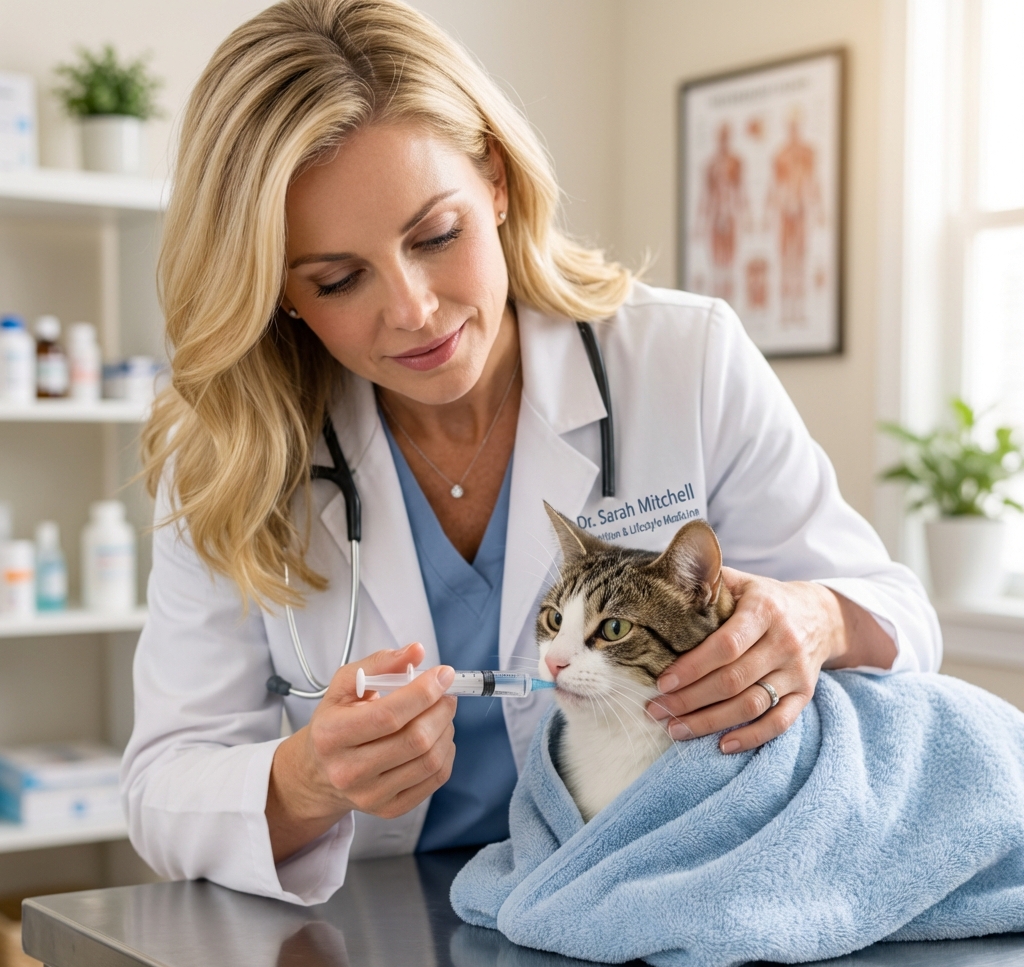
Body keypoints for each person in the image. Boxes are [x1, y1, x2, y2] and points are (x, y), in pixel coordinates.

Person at [122, 0, 941, 906]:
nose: (415, 309)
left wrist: (820, 619)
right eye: (338, 279)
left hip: (658, 892)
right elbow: (163, 788)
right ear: (275, 292)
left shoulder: (682, 360)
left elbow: (902, 619)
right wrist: (306, 780)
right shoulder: (231, 453)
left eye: (437, 236)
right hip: (389, 934)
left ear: (498, 182)